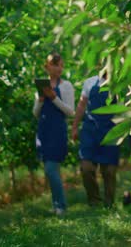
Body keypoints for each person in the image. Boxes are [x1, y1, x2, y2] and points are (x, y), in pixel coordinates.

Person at [33, 53, 75, 216]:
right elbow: (35, 113)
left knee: (51, 169)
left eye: (61, 65)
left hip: (57, 131)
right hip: (43, 130)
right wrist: (41, 100)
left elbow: (70, 111)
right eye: (55, 65)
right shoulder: (41, 86)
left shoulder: (66, 86)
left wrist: (54, 98)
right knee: (50, 170)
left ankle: (61, 206)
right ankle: (56, 204)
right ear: (47, 66)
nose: (59, 68)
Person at [72, 73, 119, 208]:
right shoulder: (89, 82)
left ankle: (109, 203)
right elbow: (81, 105)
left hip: (111, 131)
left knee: (109, 171)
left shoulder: (119, 83)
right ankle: (94, 201)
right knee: (86, 168)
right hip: (90, 131)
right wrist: (75, 126)